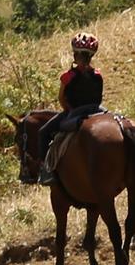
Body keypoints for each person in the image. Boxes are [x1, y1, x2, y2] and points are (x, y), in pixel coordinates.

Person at [30, 32, 106, 183]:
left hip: (75, 112)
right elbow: (98, 96)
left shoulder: (68, 76)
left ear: (75, 55)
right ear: (91, 56)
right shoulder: (98, 75)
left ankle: (46, 172)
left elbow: (61, 98)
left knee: (43, 132)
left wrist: (68, 110)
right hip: (97, 110)